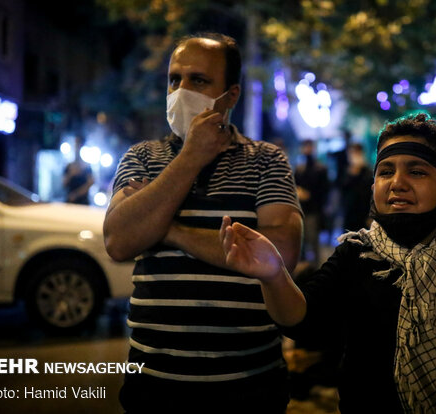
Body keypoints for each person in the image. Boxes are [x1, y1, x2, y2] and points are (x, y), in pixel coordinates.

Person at [221, 113, 436, 413]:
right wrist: (273, 275)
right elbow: (305, 323)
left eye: (417, 171)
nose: (397, 183)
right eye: (386, 171)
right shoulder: (358, 254)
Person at [103, 32, 303, 413]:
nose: (181, 89)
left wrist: (170, 230)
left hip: (249, 385)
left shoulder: (266, 160)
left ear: (230, 95)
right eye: (174, 79)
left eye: (198, 80)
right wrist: (190, 157)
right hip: (155, 384)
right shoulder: (142, 157)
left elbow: (282, 254)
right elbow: (118, 241)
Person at [295, 139, 329, 265]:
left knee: (313, 240)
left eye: (309, 146)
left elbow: (324, 190)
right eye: (305, 146)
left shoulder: (320, 169)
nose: (307, 149)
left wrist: (310, 196)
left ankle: (315, 270)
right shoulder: (299, 169)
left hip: (313, 210)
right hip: (300, 209)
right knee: (301, 242)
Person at [341, 142, 374, 231]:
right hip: (349, 216)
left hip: (364, 216)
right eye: (352, 152)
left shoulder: (368, 172)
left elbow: (370, 194)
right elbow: (342, 191)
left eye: (357, 153)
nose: (354, 155)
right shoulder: (346, 172)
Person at [62, 135, 94, 204]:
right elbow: (63, 184)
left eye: (78, 144)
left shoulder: (86, 166)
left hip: (83, 202)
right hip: (70, 201)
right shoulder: (69, 166)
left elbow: (90, 183)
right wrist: (71, 174)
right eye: (75, 144)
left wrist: (76, 194)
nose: (76, 146)